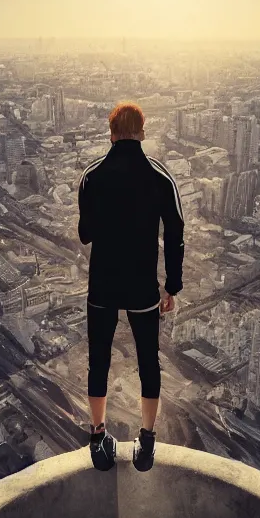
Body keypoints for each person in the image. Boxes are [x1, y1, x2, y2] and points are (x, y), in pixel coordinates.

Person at [78, 102, 184, 471]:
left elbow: (85, 234)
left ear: (111, 133)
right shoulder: (159, 177)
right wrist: (172, 285)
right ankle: (148, 439)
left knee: (99, 361)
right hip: (142, 284)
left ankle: (97, 436)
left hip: (103, 284)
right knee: (148, 362)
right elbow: (175, 232)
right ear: (142, 131)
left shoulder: (93, 176)